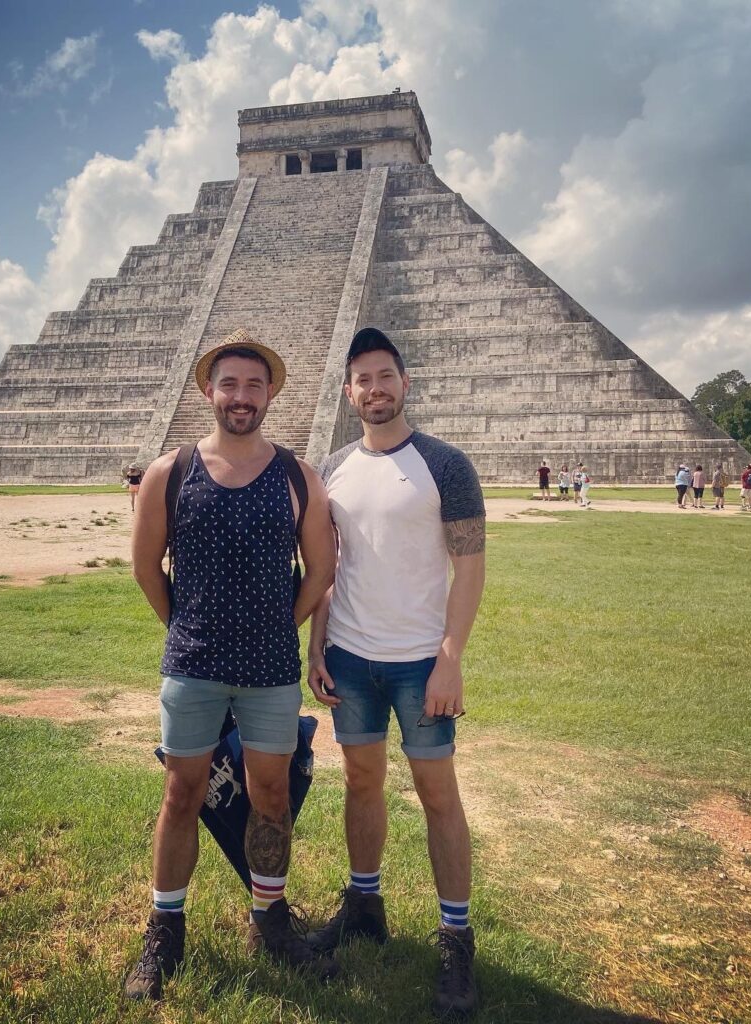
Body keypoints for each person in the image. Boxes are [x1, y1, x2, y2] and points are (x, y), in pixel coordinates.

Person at [124, 330, 338, 1002]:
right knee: (180, 794)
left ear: (270, 393)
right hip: (194, 664)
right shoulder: (171, 471)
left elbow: (322, 568)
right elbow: (145, 566)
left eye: (253, 385)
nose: (241, 397)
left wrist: (284, 626)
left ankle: (269, 919)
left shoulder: (297, 475)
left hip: (270, 669)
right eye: (229, 385)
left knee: (270, 797)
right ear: (209, 392)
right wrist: (184, 626)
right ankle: (166, 929)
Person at [307, 327, 486, 1018]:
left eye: (386, 376)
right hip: (351, 656)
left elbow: (469, 566)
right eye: (363, 380)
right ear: (349, 391)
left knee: (438, 793)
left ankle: (455, 937)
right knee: (360, 780)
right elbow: (329, 569)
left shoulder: (446, 464)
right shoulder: (334, 468)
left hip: (420, 664)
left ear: (405, 383)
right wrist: (317, 647)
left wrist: (450, 657)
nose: (375, 389)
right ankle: (364, 902)